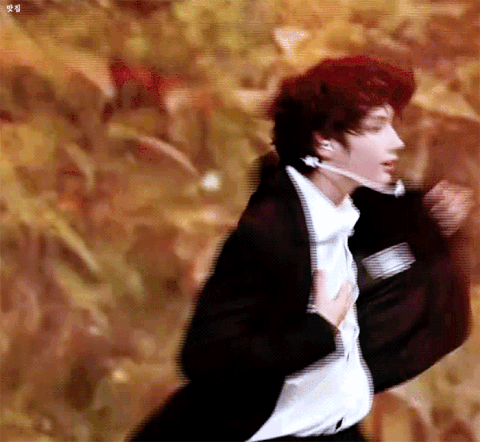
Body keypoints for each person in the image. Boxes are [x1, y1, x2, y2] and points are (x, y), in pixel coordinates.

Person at [129, 56, 473, 442]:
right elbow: (204, 357)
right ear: (324, 141)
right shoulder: (271, 233)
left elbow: (434, 315)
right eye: (377, 127)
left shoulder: (362, 218)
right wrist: (317, 331)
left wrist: (429, 224)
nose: (395, 141)